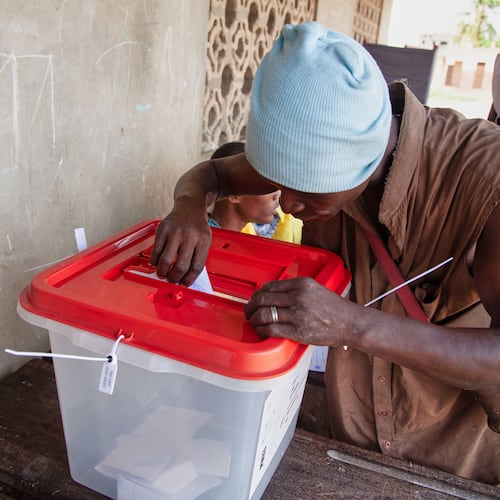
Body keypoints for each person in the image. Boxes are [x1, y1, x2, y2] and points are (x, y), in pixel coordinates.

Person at [150, 22, 500, 484]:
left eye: (306, 193)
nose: (289, 205)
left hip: (457, 473)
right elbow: (210, 175)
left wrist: (349, 323)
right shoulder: (311, 154)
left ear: (362, 159)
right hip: (344, 453)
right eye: (279, 185)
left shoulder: (484, 183)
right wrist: (189, 208)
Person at [208, 141, 303, 243]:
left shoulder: (243, 240)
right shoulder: (206, 242)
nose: (277, 195)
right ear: (234, 195)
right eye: (266, 187)